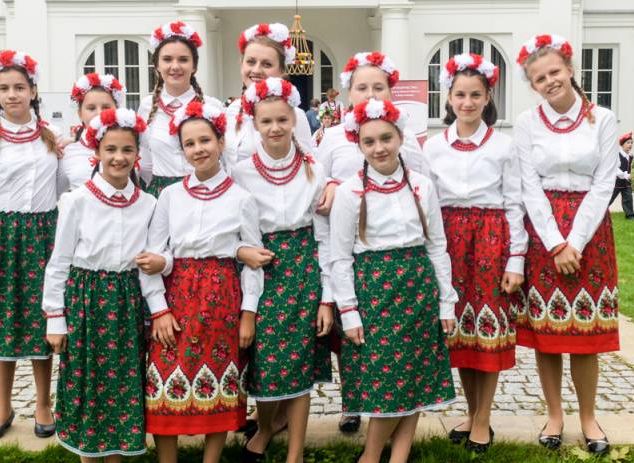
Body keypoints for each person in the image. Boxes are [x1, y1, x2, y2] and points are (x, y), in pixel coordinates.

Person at [137, 101, 264, 463]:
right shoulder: (169, 196)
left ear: (221, 142)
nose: (198, 149)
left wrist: (248, 312)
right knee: (161, 383)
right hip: (177, 297)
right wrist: (159, 309)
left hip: (221, 299)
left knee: (219, 386)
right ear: (182, 150)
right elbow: (154, 254)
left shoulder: (241, 198)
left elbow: (252, 259)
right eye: (189, 144)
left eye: (205, 140)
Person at [331, 99, 457, 463]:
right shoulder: (350, 192)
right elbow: (339, 256)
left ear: (401, 138)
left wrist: (446, 301)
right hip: (374, 290)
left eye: (386, 138)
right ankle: (369, 459)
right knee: (387, 378)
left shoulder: (421, 186)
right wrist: (349, 311)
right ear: (359, 144)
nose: (379, 147)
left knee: (414, 375)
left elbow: (437, 245)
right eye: (369, 141)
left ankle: (398, 462)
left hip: (417, 287)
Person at [42, 107, 160, 463]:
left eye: (127, 150)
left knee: (122, 388)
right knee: (88, 388)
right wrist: (56, 318)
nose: (118, 158)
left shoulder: (148, 204)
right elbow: (59, 263)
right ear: (96, 151)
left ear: (137, 154)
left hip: (126, 302)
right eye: (110, 149)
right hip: (87, 301)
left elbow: (150, 262)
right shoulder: (77, 201)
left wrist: (153, 311)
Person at [515, 34, 620, 455]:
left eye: (555, 72)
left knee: (585, 332)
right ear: (533, 85)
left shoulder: (603, 119)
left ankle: (588, 416)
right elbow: (528, 186)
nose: (550, 81)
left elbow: (605, 183)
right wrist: (556, 244)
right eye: (540, 78)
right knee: (547, 331)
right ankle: (554, 414)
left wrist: (574, 240)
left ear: (570, 70)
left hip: (590, 231)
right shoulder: (527, 123)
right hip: (544, 233)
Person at [233, 78, 334, 463]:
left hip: (303, 271)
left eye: (282, 120)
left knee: (298, 365)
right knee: (264, 358)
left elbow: (325, 236)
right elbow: (239, 234)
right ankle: (266, 426)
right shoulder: (240, 172)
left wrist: (327, 297)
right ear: (254, 124)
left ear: (295, 120)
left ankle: (294, 459)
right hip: (261, 269)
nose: (275, 128)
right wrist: (244, 264)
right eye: (266, 121)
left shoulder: (314, 168)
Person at [316, 51, 427, 434]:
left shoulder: (403, 137)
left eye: (378, 87)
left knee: (384, 332)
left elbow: (421, 183)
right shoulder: (332, 137)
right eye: (362, 87)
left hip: (386, 240)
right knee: (349, 332)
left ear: (391, 91)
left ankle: (394, 399)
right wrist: (331, 184)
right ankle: (353, 401)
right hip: (343, 240)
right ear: (349, 93)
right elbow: (319, 182)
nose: (370, 94)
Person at [423, 53, 527, 453]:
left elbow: (514, 202)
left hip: (490, 240)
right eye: (460, 95)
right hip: (449, 240)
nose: (467, 103)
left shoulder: (504, 146)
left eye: (475, 95)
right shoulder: (434, 147)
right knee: (462, 334)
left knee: (488, 332)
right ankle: (471, 411)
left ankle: (483, 419)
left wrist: (515, 258)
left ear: (488, 98)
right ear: (448, 98)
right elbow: (427, 201)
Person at [0, 50, 60, 442]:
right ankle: (3, 405)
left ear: (33, 91)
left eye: (19, 87)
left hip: (43, 236)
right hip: (5, 239)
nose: (12, 95)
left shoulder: (51, 138)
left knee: (43, 321)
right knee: (5, 323)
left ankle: (43, 403)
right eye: (3, 88)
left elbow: (64, 189)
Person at [138, 20, 223, 197]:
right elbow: (145, 163)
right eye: (167, 59)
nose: (175, 66)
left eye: (183, 60)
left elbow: (225, 158)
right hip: (161, 194)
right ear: (157, 65)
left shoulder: (212, 107)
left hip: (205, 192)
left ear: (194, 66)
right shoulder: (147, 107)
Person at [224, 22, 314, 172]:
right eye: (251, 62)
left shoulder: (294, 115)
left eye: (267, 64)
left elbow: (308, 166)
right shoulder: (232, 110)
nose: (256, 70)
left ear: (281, 71)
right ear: (241, 65)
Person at [58, 73, 125, 191]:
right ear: (80, 114)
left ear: (117, 110)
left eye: (106, 107)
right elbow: (59, 192)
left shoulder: (130, 148)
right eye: (91, 108)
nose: (99, 113)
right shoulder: (67, 152)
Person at [610, 132, 634, 219]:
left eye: (631, 143)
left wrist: (629, 175)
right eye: (628, 143)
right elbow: (615, 168)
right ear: (622, 144)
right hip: (616, 182)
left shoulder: (630, 156)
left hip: (626, 182)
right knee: (609, 198)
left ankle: (630, 215)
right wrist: (625, 175)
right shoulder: (617, 155)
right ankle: (599, 212)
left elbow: (628, 167)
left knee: (628, 198)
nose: (630, 145)